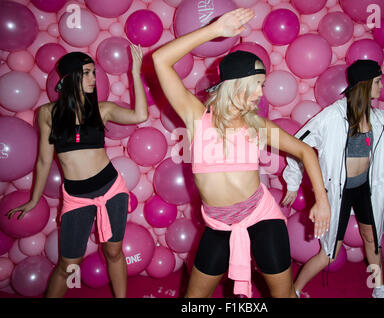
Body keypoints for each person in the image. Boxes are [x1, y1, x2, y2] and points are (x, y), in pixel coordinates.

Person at [152, 8, 330, 298]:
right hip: (218, 223)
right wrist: (214, 30)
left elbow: (306, 152)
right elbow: (160, 60)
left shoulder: (256, 125)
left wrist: (321, 201)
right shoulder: (198, 118)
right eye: (257, 85)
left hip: (261, 216)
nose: (261, 93)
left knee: (282, 295)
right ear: (238, 84)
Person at [6, 45, 148, 298]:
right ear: (71, 77)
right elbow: (43, 161)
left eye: (94, 72)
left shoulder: (102, 109)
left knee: (114, 252)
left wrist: (135, 73)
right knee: (68, 263)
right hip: (76, 197)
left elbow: (140, 115)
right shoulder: (48, 113)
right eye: (87, 73)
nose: (94, 79)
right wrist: (34, 200)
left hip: (111, 189)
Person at [282, 59, 384, 298]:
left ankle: (378, 288)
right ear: (365, 84)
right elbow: (298, 144)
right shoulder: (331, 116)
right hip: (338, 192)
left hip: (365, 189)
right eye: (378, 82)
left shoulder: (380, 120)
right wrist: (293, 181)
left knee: (372, 239)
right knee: (330, 253)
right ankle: (293, 291)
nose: (382, 87)